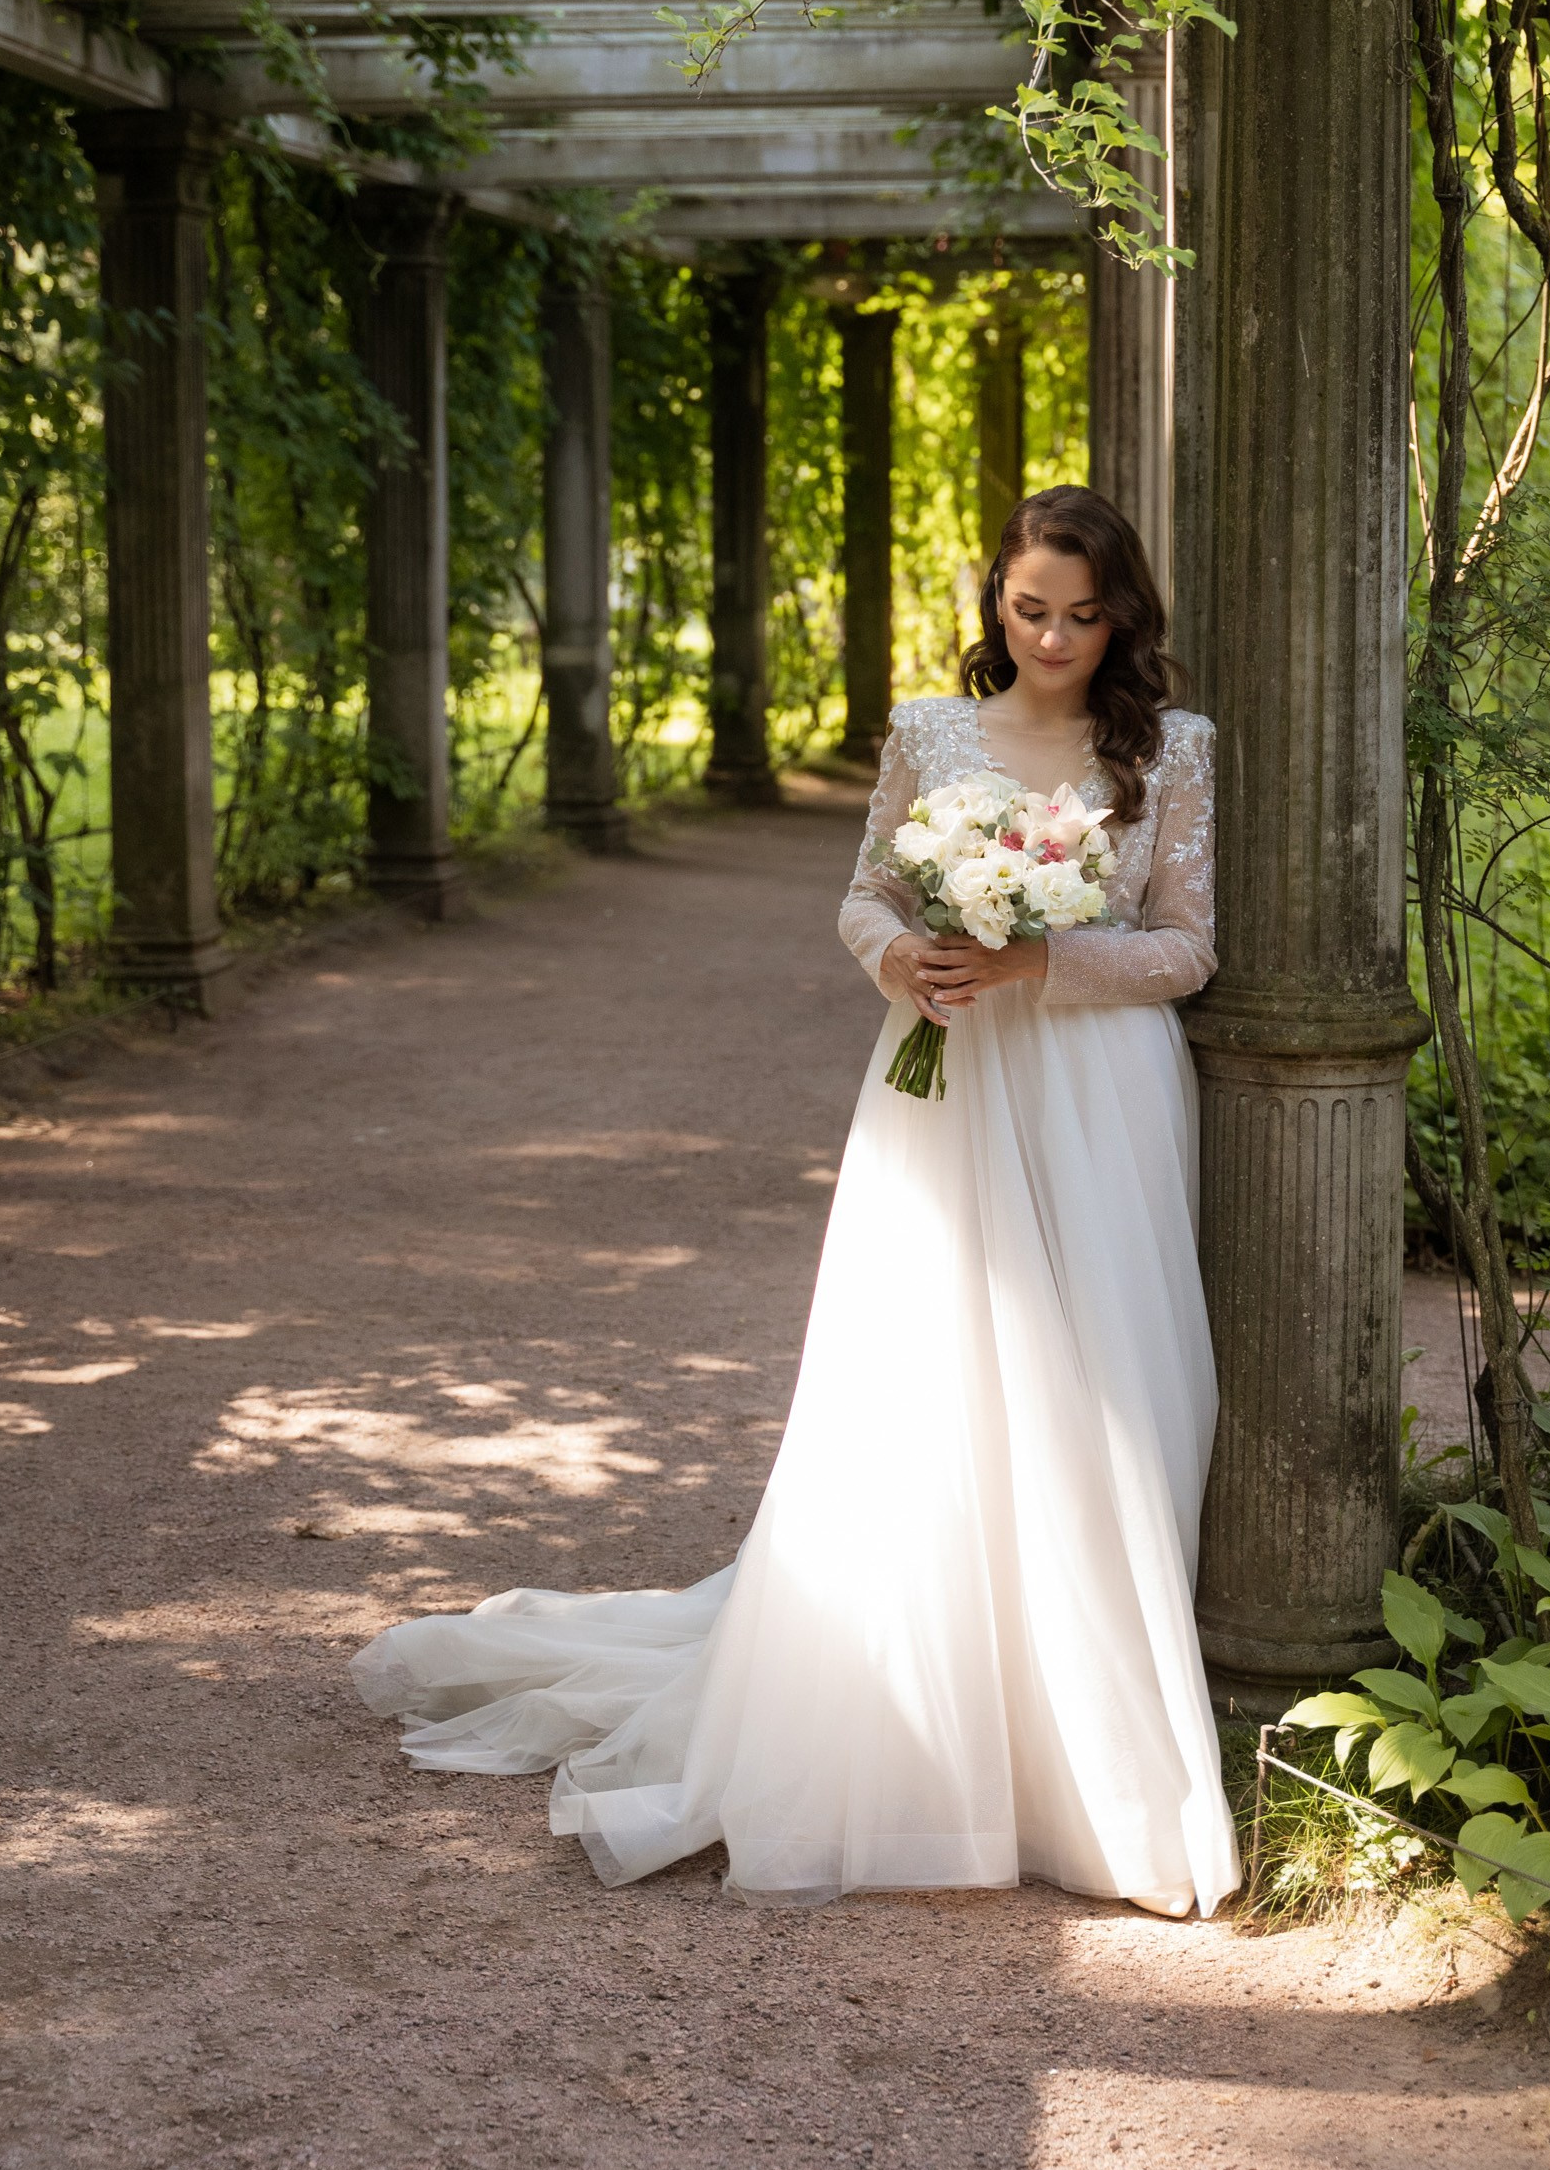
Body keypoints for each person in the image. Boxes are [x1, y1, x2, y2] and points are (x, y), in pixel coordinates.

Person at [351, 484, 1239, 1916]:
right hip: (944, 1078)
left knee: (1107, 1396)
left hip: (1101, 1096)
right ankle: (928, 1746)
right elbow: (864, 898)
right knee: (938, 1391)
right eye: (1031, 611)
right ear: (993, 604)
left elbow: (1188, 951)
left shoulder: (1171, 750)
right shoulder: (932, 733)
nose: (1057, 637)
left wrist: (1033, 961)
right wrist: (909, 964)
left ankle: (1096, 1765)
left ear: (1123, 616)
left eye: (1085, 616)